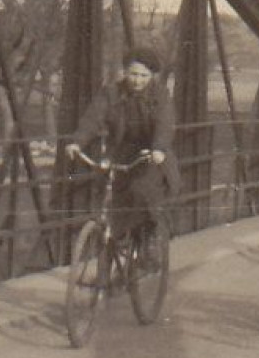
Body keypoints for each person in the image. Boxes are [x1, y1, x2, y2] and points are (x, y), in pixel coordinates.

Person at [64, 47, 180, 259]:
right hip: (122, 152)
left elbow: (165, 122)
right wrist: (77, 143)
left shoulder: (160, 94)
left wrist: (159, 148)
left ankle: (151, 236)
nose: (137, 81)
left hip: (151, 153)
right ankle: (113, 246)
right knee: (109, 191)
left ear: (151, 76)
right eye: (133, 74)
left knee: (143, 191)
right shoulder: (111, 93)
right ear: (125, 72)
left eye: (143, 76)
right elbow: (93, 117)